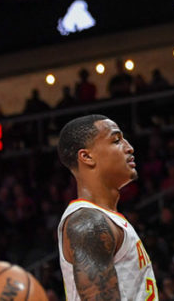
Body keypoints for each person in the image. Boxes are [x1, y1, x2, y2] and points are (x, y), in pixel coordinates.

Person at [56, 115, 157, 300]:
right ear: (86, 156)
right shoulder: (89, 223)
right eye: (116, 140)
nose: (129, 147)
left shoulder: (105, 218)